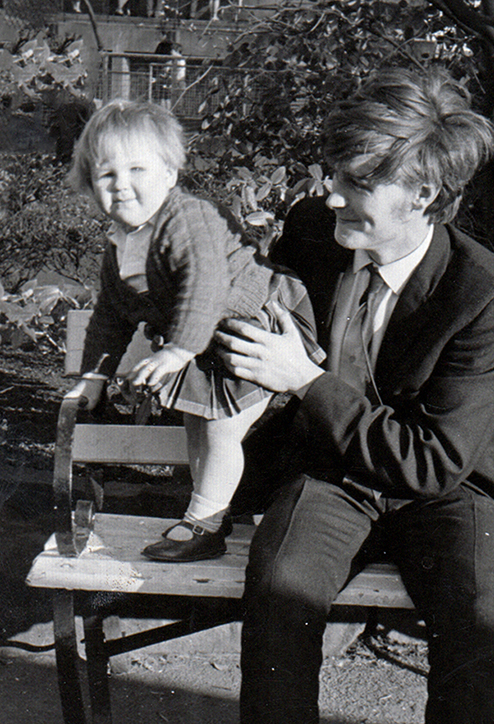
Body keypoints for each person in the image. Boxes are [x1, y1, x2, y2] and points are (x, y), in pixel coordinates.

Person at [215, 66, 494, 724]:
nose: (333, 193)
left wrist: (307, 383)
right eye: (336, 175)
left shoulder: (483, 293)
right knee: (276, 598)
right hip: (333, 473)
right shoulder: (314, 231)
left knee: (481, 635)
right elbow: (247, 318)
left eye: (358, 182)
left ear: (422, 193)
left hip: (446, 488)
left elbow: (431, 460)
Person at [66, 99, 323, 563]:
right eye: (106, 175)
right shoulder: (119, 246)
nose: (121, 186)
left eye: (137, 170)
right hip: (201, 345)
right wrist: (95, 376)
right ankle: (208, 515)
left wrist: (176, 350)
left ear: (169, 173)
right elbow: (111, 315)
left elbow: (205, 285)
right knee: (196, 426)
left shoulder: (189, 219)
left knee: (222, 431)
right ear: (89, 184)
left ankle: (204, 524)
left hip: (252, 330)